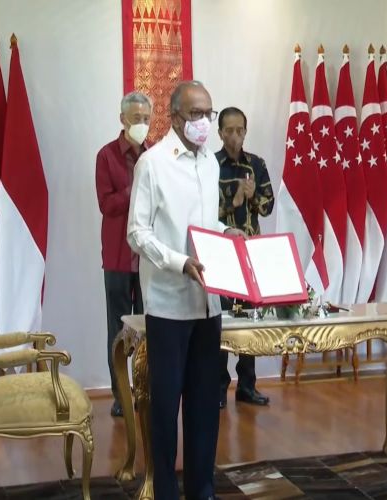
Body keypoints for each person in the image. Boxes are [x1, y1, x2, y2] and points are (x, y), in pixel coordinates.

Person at [127, 80, 245, 500]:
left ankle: (202, 489)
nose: (204, 123)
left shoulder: (209, 164)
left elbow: (205, 223)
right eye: (196, 115)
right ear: (174, 117)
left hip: (207, 304)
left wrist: (227, 231)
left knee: (204, 405)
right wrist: (180, 263)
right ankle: (165, 491)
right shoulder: (152, 165)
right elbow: (137, 233)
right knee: (164, 409)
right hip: (169, 305)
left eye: (208, 115)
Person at [96, 91, 152, 417]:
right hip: (117, 258)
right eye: (135, 118)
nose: (141, 124)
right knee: (117, 333)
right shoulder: (106, 156)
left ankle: (146, 391)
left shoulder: (155, 154)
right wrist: (134, 189)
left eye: (146, 118)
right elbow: (107, 204)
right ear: (122, 120)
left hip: (147, 260)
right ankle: (121, 397)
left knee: (147, 329)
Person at [216, 107, 274, 409]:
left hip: (252, 251)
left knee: (251, 317)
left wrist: (252, 197)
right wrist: (234, 201)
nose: (235, 136)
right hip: (223, 253)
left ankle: (247, 385)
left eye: (240, 130)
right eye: (229, 130)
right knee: (224, 319)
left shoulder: (257, 165)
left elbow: (268, 206)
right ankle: (219, 386)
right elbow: (205, 212)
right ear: (220, 133)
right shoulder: (211, 165)